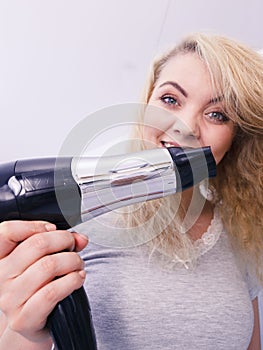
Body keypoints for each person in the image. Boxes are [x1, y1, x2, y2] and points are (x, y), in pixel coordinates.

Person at [0, 32, 263, 349]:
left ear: (235, 138)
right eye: (170, 100)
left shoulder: (242, 231)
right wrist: (30, 334)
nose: (187, 127)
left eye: (217, 114)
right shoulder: (79, 224)